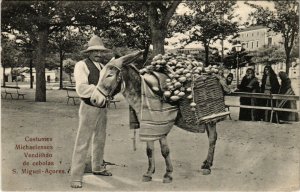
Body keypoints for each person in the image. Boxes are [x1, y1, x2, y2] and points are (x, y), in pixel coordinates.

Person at [70, 35, 113, 188]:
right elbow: (81, 88)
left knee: (100, 138)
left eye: (101, 52)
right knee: (83, 140)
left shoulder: (104, 67)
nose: (99, 54)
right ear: (88, 52)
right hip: (88, 106)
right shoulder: (81, 65)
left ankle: (98, 167)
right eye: (95, 51)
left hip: (102, 107)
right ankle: (76, 175)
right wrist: (100, 90)